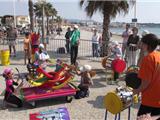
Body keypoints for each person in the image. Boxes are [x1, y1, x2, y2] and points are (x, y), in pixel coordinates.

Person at [133, 34, 160, 118]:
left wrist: (137, 91)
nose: (141, 45)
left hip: (150, 99)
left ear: (147, 45)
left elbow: (146, 81)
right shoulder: (158, 55)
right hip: (158, 99)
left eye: (142, 43)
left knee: (141, 118)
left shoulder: (148, 58)